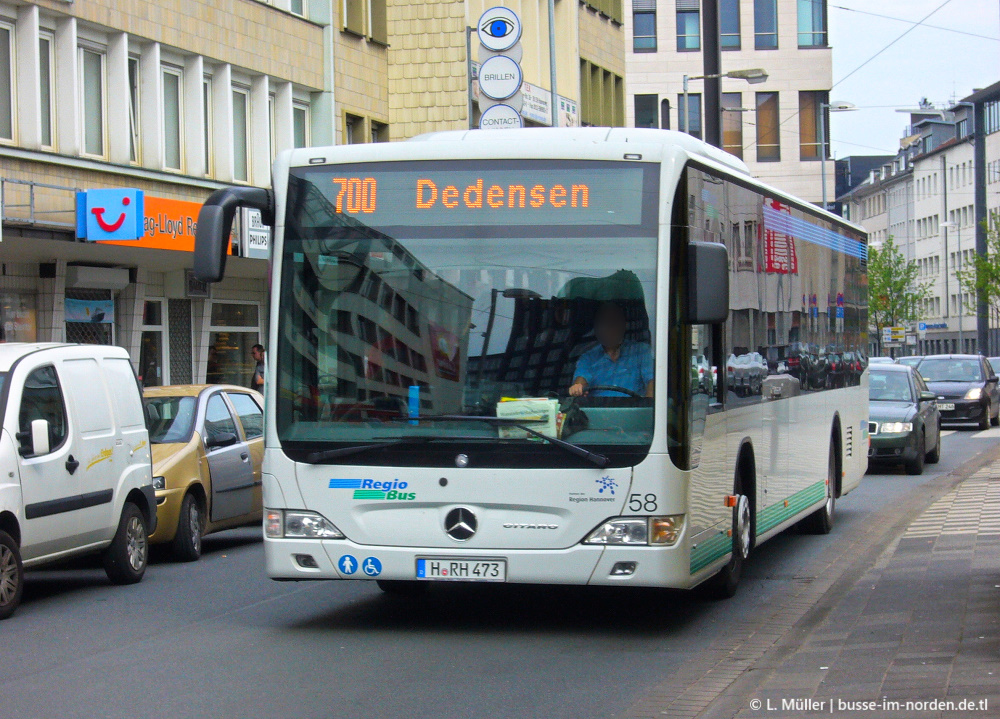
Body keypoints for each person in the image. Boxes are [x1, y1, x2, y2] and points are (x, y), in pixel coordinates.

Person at [568, 302, 653, 398]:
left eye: (614, 321)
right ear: (595, 328)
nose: (609, 326)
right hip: (596, 412)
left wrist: (649, 409)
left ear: (624, 325)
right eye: (604, 322)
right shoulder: (588, 358)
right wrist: (578, 388)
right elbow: (580, 381)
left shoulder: (641, 351)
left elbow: (653, 384)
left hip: (633, 411)